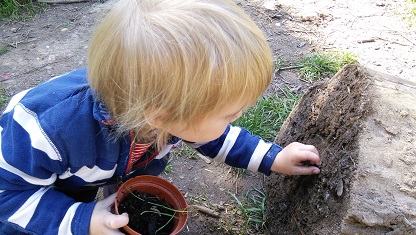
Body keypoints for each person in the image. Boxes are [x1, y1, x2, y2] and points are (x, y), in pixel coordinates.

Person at [0, 0, 321, 234]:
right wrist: (82, 220)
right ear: (159, 117)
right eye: (230, 114)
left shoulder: (167, 110)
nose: (238, 117)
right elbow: (10, 199)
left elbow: (213, 136)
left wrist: (273, 158)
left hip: (95, 170)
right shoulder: (46, 133)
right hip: (29, 188)